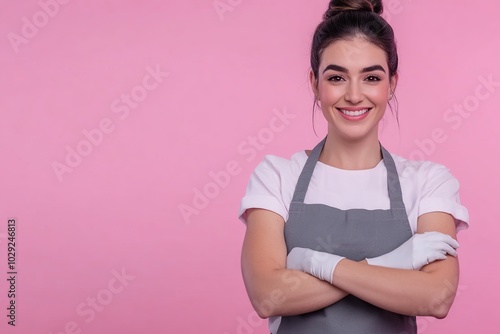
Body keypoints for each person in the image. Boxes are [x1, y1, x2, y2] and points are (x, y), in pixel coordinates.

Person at [237, 0, 470, 333]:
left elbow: (436, 297)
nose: (354, 95)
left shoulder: (428, 181)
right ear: (315, 84)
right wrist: (394, 263)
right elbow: (268, 297)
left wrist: (312, 262)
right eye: (337, 78)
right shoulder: (277, 176)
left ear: (392, 84)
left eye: (371, 77)